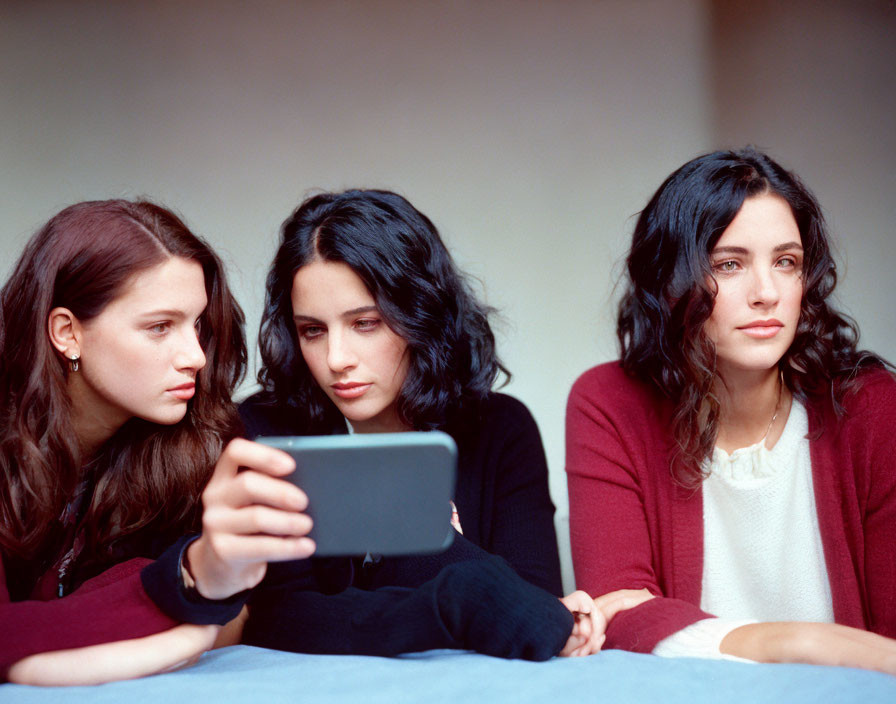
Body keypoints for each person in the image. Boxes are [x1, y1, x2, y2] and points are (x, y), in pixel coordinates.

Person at [218, 189, 604, 659]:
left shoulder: (501, 428)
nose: (336, 359)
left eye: (366, 323)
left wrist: (433, 548)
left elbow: (536, 617)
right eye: (312, 331)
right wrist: (451, 593)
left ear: (421, 314)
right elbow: (278, 620)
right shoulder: (263, 431)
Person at [566, 147, 896, 675]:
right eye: (729, 264)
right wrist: (806, 644)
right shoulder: (609, 403)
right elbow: (614, 621)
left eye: (786, 262)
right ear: (671, 283)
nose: (767, 293)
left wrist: (671, 624)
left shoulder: (872, 408)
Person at [0, 199, 273, 685]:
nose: (195, 356)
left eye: (197, 325)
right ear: (67, 333)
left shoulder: (193, 440)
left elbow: (236, 619)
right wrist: (186, 600)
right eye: (159, 327)